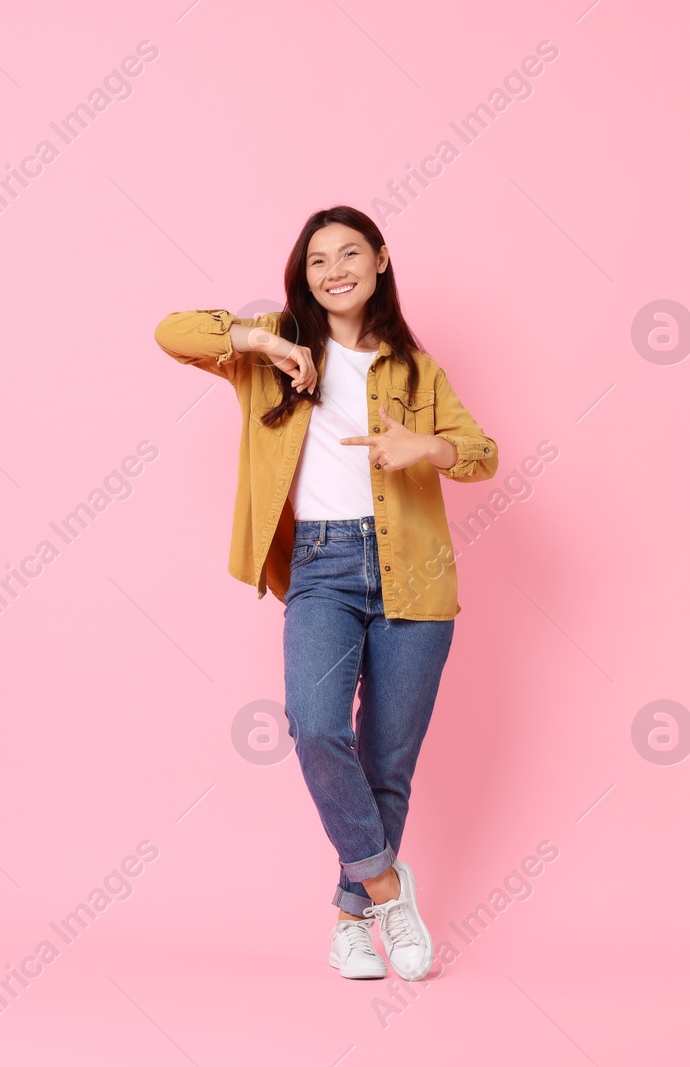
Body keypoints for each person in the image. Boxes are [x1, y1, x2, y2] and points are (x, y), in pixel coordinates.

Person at [152, 205, 498, 981]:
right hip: (321, 566)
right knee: (315, 726)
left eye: (350, 253)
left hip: (416, 574)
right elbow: (171, 332)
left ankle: (350, 922)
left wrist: (426, 446)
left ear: (380, 260)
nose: (334, 269)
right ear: (302, 275)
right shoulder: (275, 348)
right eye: (317, 260)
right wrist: (259, 337)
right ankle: (385, 887)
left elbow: (482, 454)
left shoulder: (416, 368)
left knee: (388, 759)